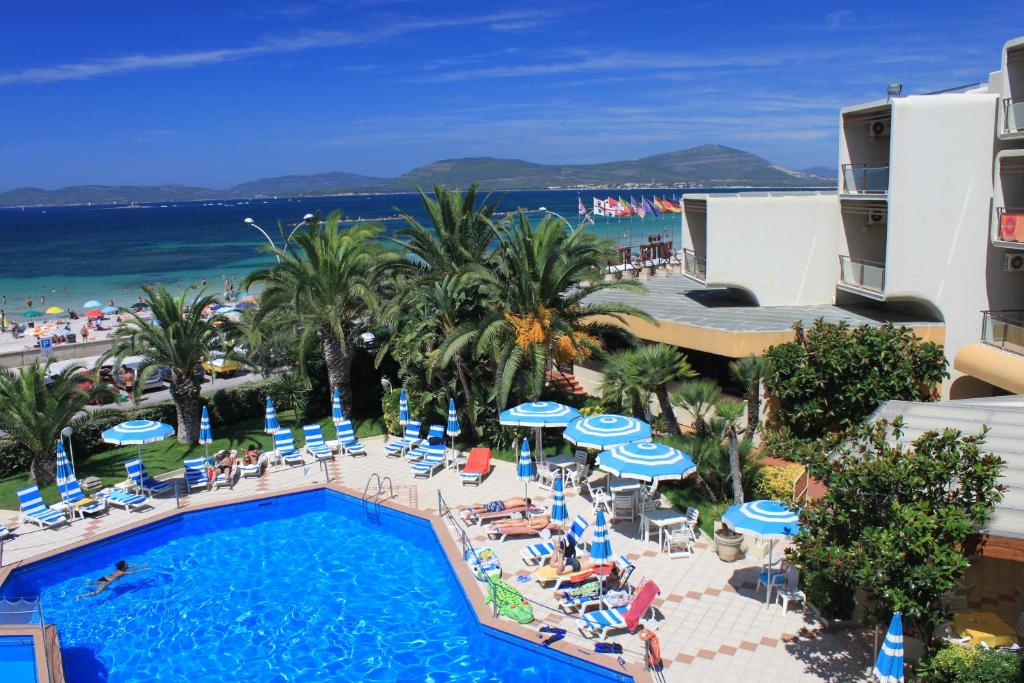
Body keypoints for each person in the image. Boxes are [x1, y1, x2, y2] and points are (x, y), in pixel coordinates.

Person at [75, 560, 148, 599]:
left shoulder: (122, 568)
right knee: (98, 592)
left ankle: (79, 584)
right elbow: (133, 572)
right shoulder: (122, 572)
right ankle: (80, 596)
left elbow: (133, 566)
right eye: (126, 564)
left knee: (93, 582)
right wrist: (144, 569)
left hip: (105, 577)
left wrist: (142, 564)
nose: (127, 564)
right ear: (123, 567)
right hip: (107, 582)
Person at [459, 497, 531, 515]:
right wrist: (531, 505)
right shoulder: (522, 501)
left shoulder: (518, 497)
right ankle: (469, 513)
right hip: (501, 506)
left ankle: (466, 507)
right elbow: (527, 505)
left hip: (499, 502)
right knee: (485, 510)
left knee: (482, 505)